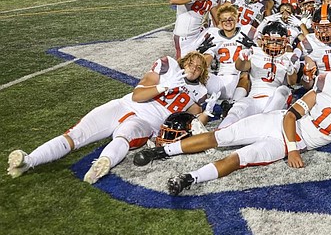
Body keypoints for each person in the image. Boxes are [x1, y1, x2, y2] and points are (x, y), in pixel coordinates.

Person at [132, 62, 331, 195]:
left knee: (241, 157)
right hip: (279, 125)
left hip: (287, 143)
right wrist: (294, 150)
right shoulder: (329, 83)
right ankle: (163, 152)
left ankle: (190, 178)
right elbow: (290, 116)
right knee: (222, 136)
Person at [7, 52, 210, 184]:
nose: (193, 67)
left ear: (202, 73)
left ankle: (102, 165)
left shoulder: (199, 93)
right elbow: (137, 96)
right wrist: (165, 86)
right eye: (191, 63)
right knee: (75, 134)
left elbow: (193, 123)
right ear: (184, 62)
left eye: (199, 67)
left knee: (124, 135)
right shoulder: (168, 68)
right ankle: (28, 160)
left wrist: (207, 113)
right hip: (123, 105)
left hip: (146, 123)